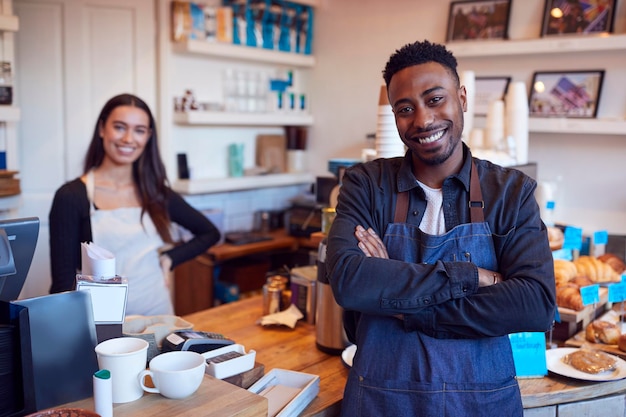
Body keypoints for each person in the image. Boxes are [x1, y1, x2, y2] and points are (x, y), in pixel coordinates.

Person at [325, 40, 556, 416]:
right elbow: (351, 282)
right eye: (405, 108)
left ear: (462, 98)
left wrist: (401, 305)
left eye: (435, 99)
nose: (423, 120)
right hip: (382, 401)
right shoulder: (366, 184)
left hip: (482, 403)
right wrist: (473, 276)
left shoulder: (510, 192)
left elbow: (534, 304)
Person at [49, 93, 221, 316]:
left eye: (139, 130)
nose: (129, 139)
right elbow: (62, 285)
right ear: (102, 129)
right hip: (99, 323)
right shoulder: (71, 196)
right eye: (120, 127)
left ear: (148, 136)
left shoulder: (156, 192)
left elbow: (209, 233)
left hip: (157, 315)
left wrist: (170, 258)